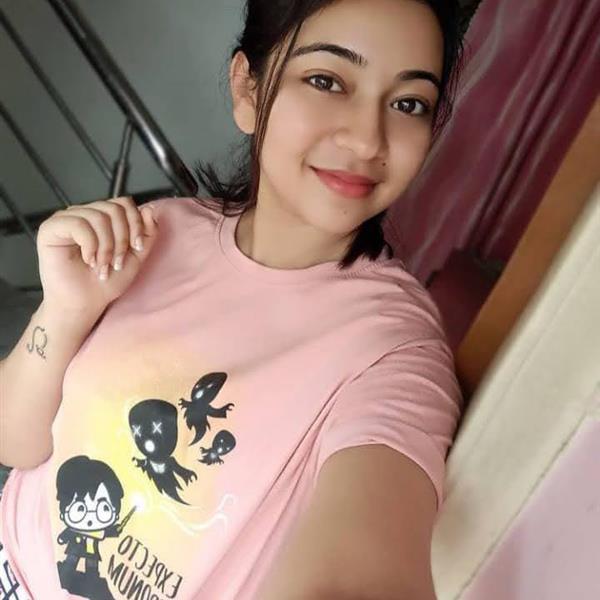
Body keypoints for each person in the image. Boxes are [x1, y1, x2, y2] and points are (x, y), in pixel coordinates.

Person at [0, 0, 465, 597]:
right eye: (327, 81)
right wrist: (64, 310)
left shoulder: (394, 350)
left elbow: (360, 572)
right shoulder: (157, 232)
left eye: (408, 103)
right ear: (248, 88)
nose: (366, 138)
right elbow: (14, 439)